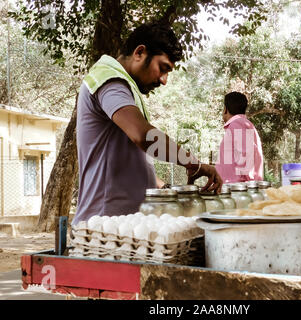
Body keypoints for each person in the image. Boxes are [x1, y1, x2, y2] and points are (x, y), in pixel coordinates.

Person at [72, 22, 222, 225]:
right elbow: (143, 136)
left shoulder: (124, 88)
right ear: (139, 52)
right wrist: (194, 164)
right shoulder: (109, 80)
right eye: (163, 68)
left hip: (125, 226)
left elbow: (130, 157)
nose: (164, 80)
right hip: (104, 227)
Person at [215, 92, 264, 183]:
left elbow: (246, 160)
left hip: (238, 191)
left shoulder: (238, 124)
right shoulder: (243, 124)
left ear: (225, 109)